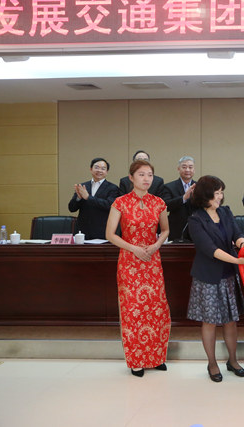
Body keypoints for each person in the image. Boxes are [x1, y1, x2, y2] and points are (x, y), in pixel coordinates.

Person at [187, 175, 244, 382]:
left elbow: (237, 234)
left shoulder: (225, 212)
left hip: (228, 276)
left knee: (230, 321)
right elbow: (210, 249)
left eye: (221, 192)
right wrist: (238, 261)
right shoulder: (195, 219)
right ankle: (212, 363)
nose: (220, 196)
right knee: (209, 322)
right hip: (208, 277)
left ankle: (233, 361)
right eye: (216, 193)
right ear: (205, 195)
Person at [105, 160, 171, 377]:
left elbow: (165, 230)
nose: (146, 178)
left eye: (150, 174)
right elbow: (110, 234)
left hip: (152, 260)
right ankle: (136, 360)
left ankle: (156, 357)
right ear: (131, 178)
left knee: (156, 309)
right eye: (141, 174)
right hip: (129, 261)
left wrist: (156, 245)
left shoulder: (159, 202)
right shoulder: (120, 202)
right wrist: (133, 248)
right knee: (133, 309)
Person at [68, 157, 119, 240]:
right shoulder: (83, 186)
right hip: (83, 231)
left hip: (103, 231)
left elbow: (109, 205)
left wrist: (88, 197)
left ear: (107, 172)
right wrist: (78, 198)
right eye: (96, 167)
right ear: (91, 169)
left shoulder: (113, 188)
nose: (99, 170)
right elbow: (71, 208)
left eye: (103, 169)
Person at [162, 156, 196, 241]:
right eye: (184, 167)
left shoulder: (200, 186)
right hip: (176, 230)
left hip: (196, 229)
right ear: (178, 169)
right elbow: (165, 206)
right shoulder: (169, 186)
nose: (187, 170)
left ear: (194, 169)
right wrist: (184, 198)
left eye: (190, 167)